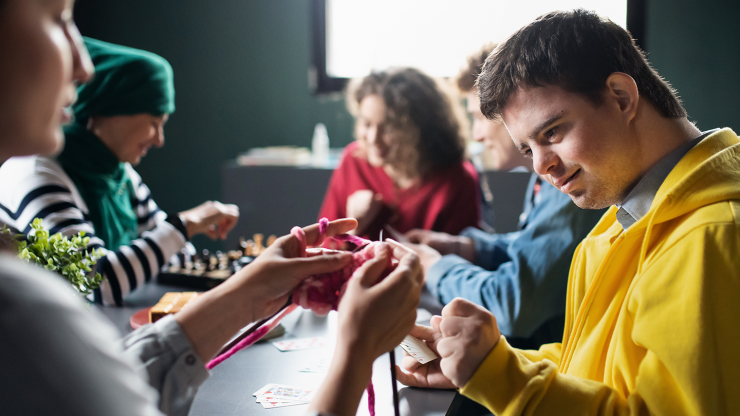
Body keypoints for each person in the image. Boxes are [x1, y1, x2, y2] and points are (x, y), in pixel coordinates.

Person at [0, 2, 423, 416]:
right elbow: (101, 279)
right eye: (59, 19)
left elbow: (108, 388)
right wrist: (354, 351)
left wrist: (248, 290)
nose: (83, 66)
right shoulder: (21, 309)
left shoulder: (118, 177)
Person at [397, 9, 740, 415]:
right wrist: (484, 364)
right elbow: (591, 366)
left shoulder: (713, 235)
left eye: (552, 132)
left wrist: (501, 376)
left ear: (621, 98)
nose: (540, 166)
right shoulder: (620, 221)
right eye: (528, 149)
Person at [0, 36, 240, 306]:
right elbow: (96, 281)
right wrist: (186, 224)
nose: (159, 139)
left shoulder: (120, 174)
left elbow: (176, 255)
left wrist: (174, 236)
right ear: (110, 110)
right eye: (153, 122)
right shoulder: (35, 173)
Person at [405, 43, 605, 348]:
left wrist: (435, 267)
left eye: (480, 117)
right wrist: (466, 248)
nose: (477, 135)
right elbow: (537, 252)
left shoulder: (568, 181)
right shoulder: (542, 179)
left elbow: (514, 305)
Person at [318, 67, 480, 240]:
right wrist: (351, 228)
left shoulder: (457, 180)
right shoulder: (353, 161)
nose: (373, 138)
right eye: (366, 124)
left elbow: (460, 261)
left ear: (418, 128)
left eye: (388, 128)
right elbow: (324, 247)